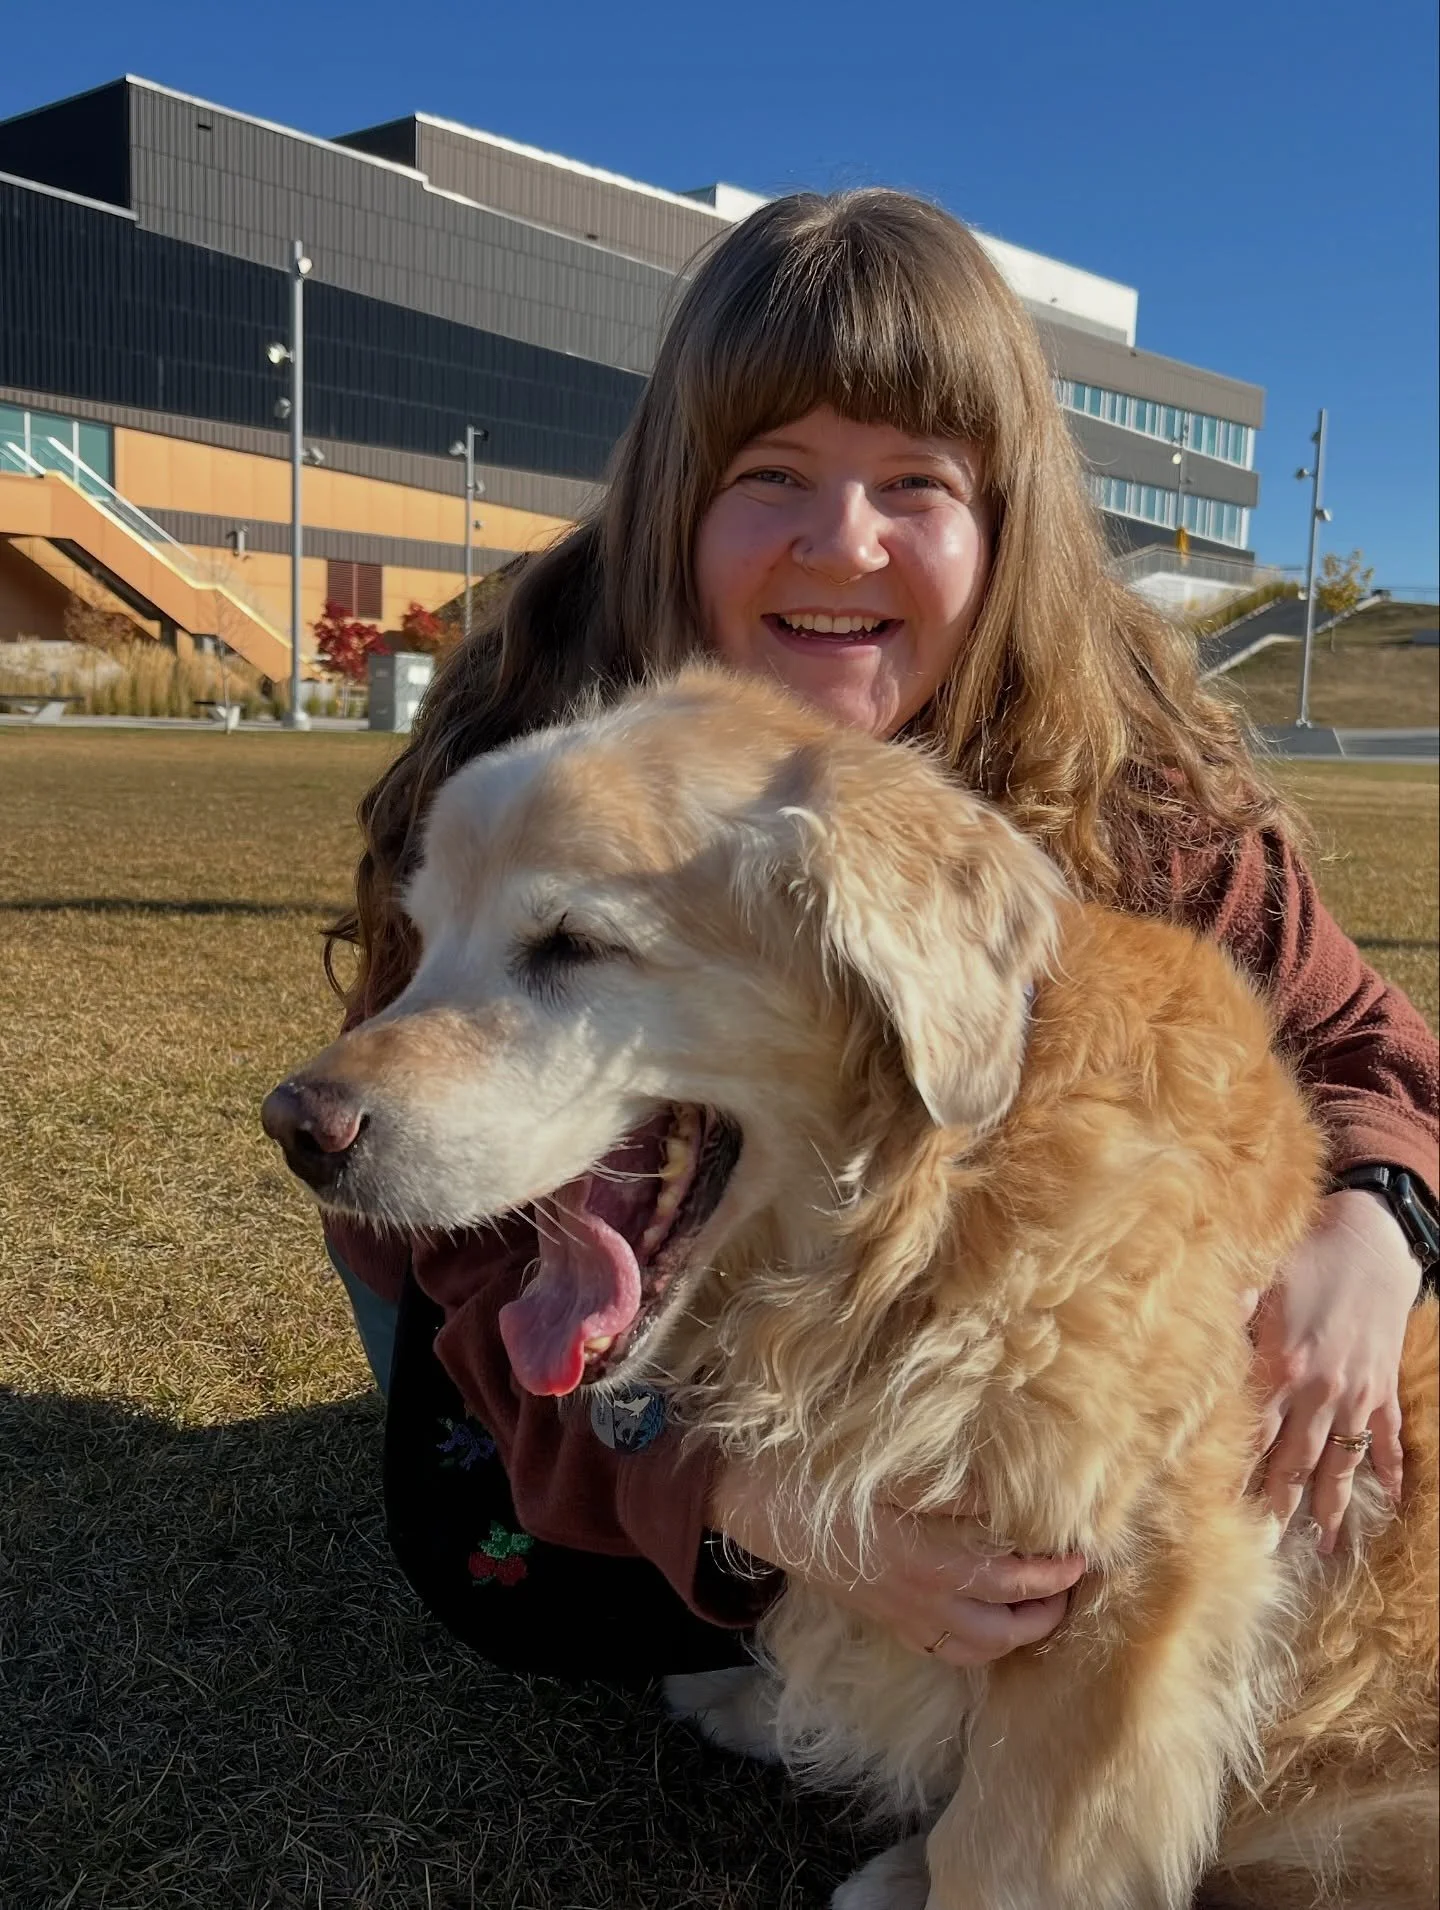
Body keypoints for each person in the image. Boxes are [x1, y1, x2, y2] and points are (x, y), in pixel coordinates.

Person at [320, 190, 1438, 1686]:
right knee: (528, 1577)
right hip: (500, 1279)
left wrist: (1379, 1227)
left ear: (1002, 524)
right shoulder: (529, 739)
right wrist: (756, 1505)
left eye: (916, 482)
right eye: (772, 474)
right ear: (677, 499)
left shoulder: (1128, 775)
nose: (842, 545)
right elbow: (430, 1192)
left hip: (815, 1297)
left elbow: (1362, 1040)